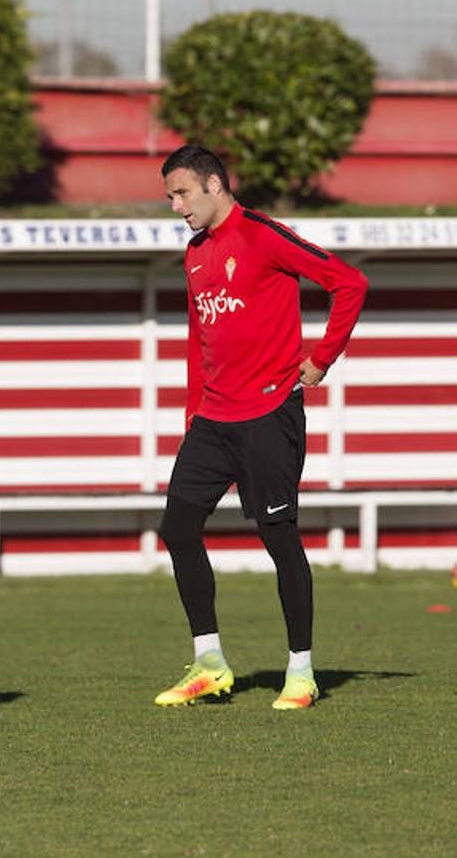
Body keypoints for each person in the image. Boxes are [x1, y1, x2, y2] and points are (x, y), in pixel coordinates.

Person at [155, 144, 368, 709]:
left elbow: (349, 283)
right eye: (170, 197)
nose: (176, 206)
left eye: (182, 193)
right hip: (212, 420)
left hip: (269, 415)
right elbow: (200, 339)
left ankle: (301, 671)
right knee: (177, 528)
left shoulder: (263, 234)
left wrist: (322, 358)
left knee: (279, 538)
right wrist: (193, 410)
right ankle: (209, 663)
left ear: (214, 185)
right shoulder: (195, 252)